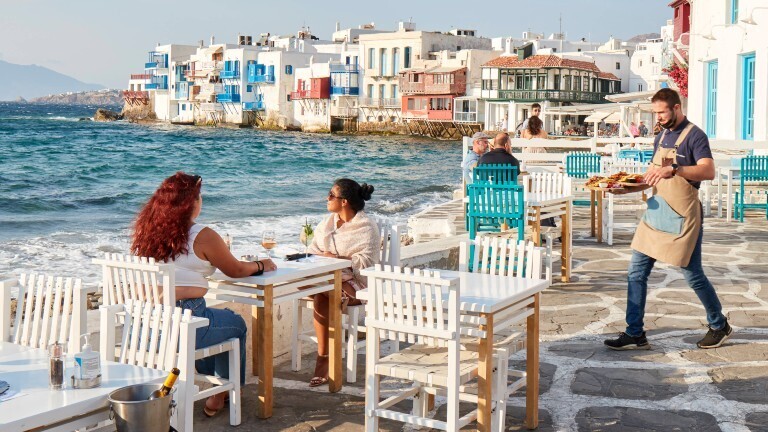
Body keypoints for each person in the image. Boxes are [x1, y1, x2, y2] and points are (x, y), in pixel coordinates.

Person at [131, 172, 277, 417]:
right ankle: (222, 392)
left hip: (145, 329)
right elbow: (236, 269)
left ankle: (218, 388)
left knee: (218, 321)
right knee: (236, 323)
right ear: (192, 203)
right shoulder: (201, 234)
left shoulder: (148, 231)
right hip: (184, 326)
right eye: (199, 198)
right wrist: (261, 265)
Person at [604, 88, 731, 351]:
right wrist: (624, 188)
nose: (658, 118)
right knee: (636, 273)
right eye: (655, 113)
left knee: (693, 274)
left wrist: (676, 168)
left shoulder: (695, 135)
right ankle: (635, 333)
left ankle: (719, 325)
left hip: (683, 215)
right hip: (656, 210)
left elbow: (708, 171)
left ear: (676, 107)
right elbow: (652, 176)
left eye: (662, 112)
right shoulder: (660, 136)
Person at [305, 178, 381, 387]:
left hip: (359, 285)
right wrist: (325, 259)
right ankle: (327, 356)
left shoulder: (366, 226)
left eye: (331, 195)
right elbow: (312, 249)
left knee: (322, 293)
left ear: (344, 201)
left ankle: (323, 359)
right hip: (329, 278)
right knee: (320, 288)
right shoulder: (327, 223)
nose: (327, 198)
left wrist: (337, 260)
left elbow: (367, 264)